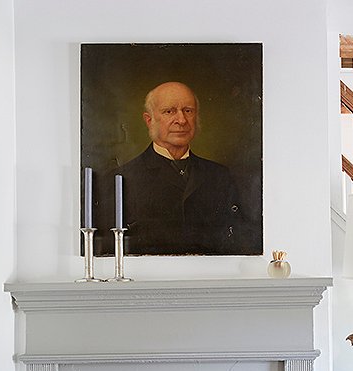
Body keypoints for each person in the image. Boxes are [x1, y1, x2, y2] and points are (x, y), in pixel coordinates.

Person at [94, 81, 260, 256]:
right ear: (149, 121)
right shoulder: (120, 179)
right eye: (169, 111)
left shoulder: (221, 175)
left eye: (188, 111)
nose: (181, 120)